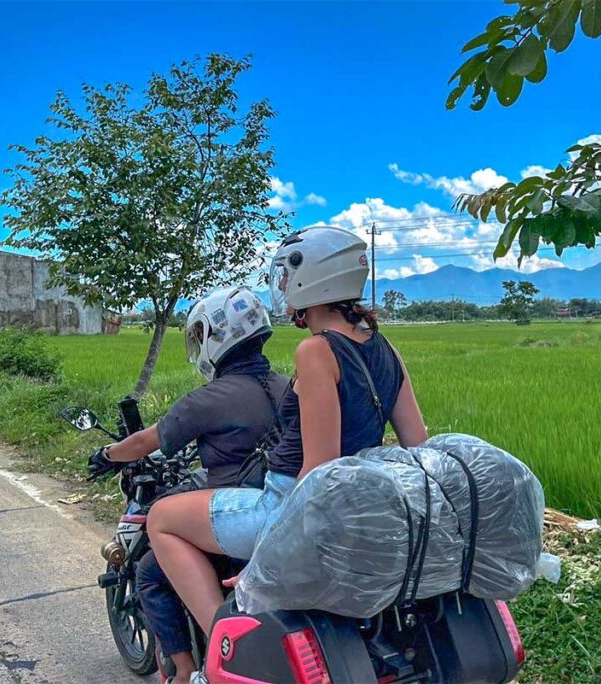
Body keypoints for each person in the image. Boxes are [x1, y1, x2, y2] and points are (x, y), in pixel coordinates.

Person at [149, 225, 429, 655]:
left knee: (161, 519)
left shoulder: (316, 351)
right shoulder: (385, 348)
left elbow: (316, 472)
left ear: (311, 276)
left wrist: (272, 558)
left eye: (285, 274)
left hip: (284, 505)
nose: (281, 285)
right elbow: (418, 446)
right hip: (358, 506)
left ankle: (225, 648)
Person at [88, 286, 288, 684]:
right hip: (286, 510)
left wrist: (107, 454)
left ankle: (186, 669)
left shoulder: (207, 399)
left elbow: (147, 441)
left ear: (216, 337)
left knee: (148, 571)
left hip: (237, 516)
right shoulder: (288, 387)